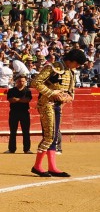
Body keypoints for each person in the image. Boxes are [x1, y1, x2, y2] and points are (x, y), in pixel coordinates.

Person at [30, 49, 87, 177]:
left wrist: (67, 97)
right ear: (70, 60)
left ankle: (52, 167)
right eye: (77, 63)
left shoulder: (70, 72)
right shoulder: (53, 67)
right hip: (46, 104)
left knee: (54, 138)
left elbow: (71, 92)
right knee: (49, 136)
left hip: (58, 106)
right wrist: (52, 93)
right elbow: (35, 82)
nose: (77, 66)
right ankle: (37, 166)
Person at [5, 74, 32, 154]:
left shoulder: (27, 91)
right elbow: (11, 100)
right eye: (20, 81)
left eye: (23, 81)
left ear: (25, 82)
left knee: (26, 131)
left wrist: (17, 99)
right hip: (14, 112)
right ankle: (11, 149)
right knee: (13, 131)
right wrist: (21, 99)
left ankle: (27, 149)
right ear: (16, 82)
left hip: (24, 113)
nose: (21, 82)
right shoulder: (11, 90)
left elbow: (27, 100)